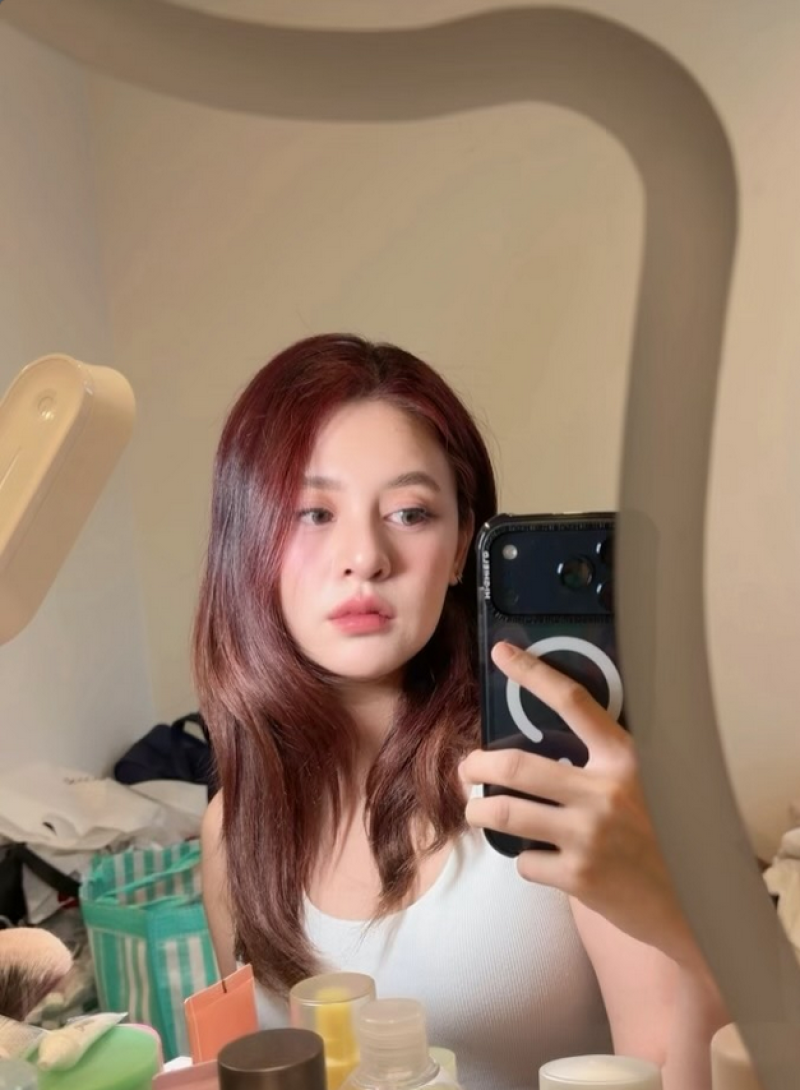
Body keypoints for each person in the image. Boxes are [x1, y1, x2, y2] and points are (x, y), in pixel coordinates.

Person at [194, 333, 727, 1090]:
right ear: (250, 543)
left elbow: (673, 1073)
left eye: (410, 513)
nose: (365, 556)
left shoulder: (559, 778)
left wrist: (688, 925)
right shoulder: (234, 830)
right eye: (313, 513)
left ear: (461, 549)